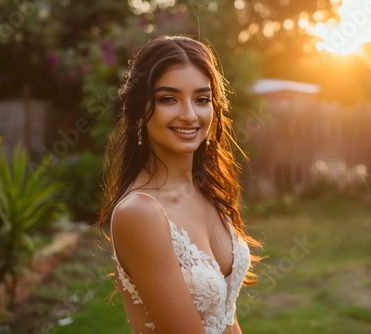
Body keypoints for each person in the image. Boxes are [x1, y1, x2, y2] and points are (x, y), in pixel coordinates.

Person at [97, 35, 261, 334]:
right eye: (168, 99)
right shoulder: (140, 213)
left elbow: (226, 318)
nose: (190, 114)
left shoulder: (208, 190)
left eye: (201, 99)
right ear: (139, 109)